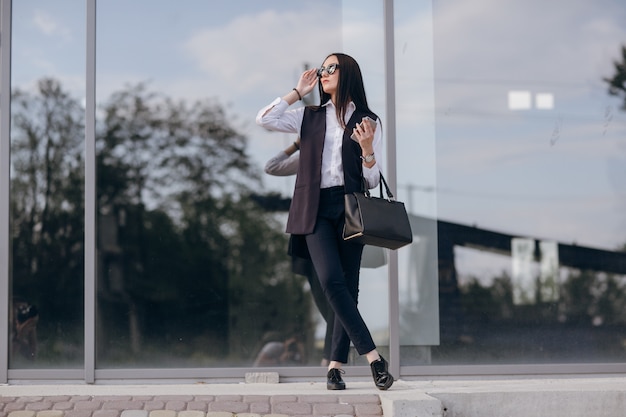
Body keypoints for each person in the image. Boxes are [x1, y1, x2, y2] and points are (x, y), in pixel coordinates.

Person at [256, 52, 393, 390]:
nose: (325, 72)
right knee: (332, 280)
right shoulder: (309, 115)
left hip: (350, 209)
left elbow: (372, 181)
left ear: (347, 74)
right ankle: (374, 357)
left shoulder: (366, 119)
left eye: (332, 68)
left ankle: (334, 366)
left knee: (349, 289)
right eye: (323, 69)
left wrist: (368, 149)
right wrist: (298, 91)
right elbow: (265, 119)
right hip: (315, 209)